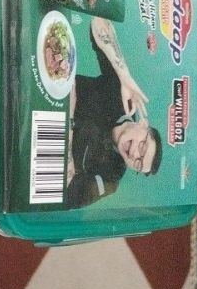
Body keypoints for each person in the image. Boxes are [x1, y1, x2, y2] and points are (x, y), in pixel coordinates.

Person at [65, 17, 162, 208]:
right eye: (143, 146)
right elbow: (98, 21)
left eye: (138, 163)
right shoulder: (122, 97)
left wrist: (67, 119)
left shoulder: (110, 179)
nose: (134, 154)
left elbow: (68, 196)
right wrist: (123, 74)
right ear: (143, 123)